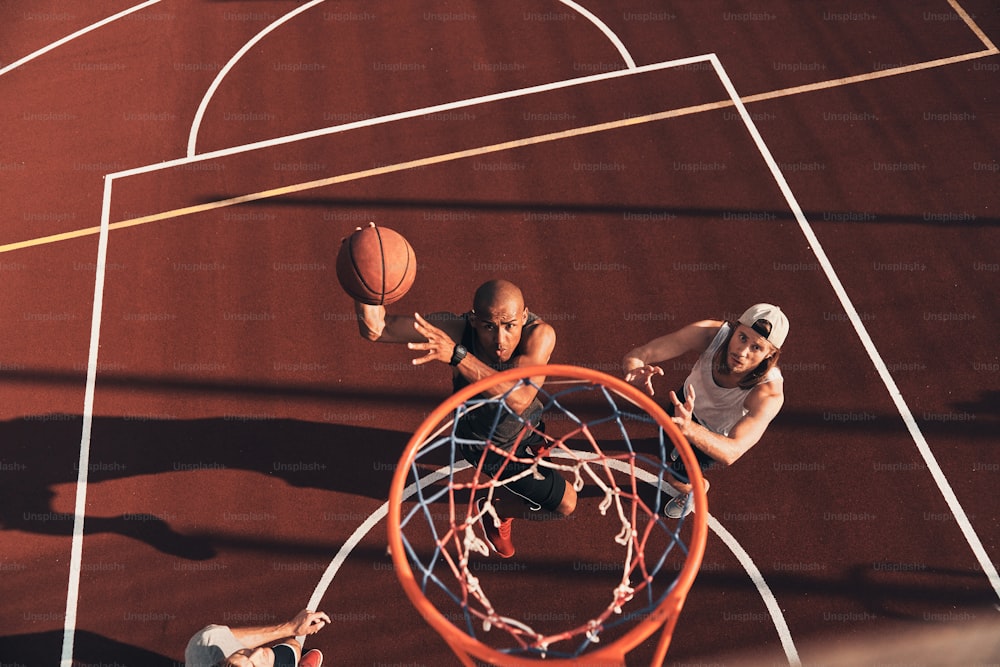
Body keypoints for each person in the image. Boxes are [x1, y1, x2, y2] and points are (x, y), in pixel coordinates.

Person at [355, 278, 577, 557]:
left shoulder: (540, 335)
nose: (500, 339)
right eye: (488, 326)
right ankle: (498, 511)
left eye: (510, 325)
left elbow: (519, 398)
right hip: (489, 446)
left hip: (529, 424)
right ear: (473, 320)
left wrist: (457, 356)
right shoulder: (456, 330)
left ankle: (515, 483)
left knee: (537, 459)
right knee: (565, 505)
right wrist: (364, 284)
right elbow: (378, 329)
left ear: (524, 316)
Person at [622, 303, 788, 518]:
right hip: (684, 405)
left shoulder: (768, 392)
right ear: (735, 328)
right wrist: (634, 369)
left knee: (675, 477)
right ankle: (679, 445)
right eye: (742, 337)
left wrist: (689, 429)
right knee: (665, 436)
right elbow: (642, 353)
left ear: (770, 354)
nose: (742, 351)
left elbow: (732, 452)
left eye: (756, 347)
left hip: (712, 434)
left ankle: (696, 489)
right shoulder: (710, 335)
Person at [184, 608, 330, 667]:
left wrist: (290, 628)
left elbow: (227, 637)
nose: (258, 651)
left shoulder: (203, 647)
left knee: (293, 646)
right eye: (253, 665)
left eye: (242, 653)